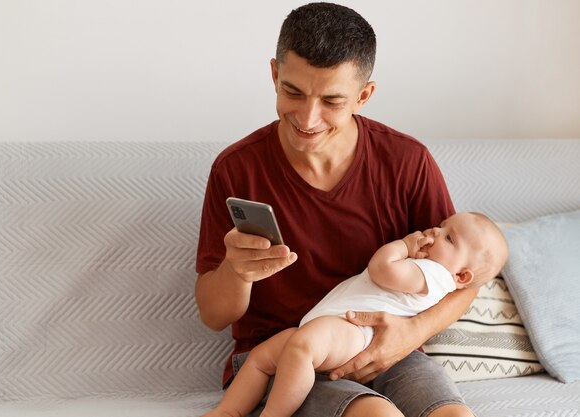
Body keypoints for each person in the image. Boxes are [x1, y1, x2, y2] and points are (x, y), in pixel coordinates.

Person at [195, 3, 486, 416]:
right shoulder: (237, 168)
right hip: (283, 357)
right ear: (275, 74)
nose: (308, 118)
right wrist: (236, 272)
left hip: (389, 350)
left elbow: (465, 281)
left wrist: (409, 335)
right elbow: (213, 314)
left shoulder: (407, 161)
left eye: (332, 100)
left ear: (363, 96)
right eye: (292, 92)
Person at [202, 212, 508, 417]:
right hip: (334, 326)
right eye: (442, 226)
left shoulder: (436, 275)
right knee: (262, 357)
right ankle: (227, 412)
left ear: (463, 276)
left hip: (355, 330)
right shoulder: (433, 266)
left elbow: (382, 270)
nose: (434, 231)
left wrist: (403, 245)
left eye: (449, 238)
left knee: (300, 348)